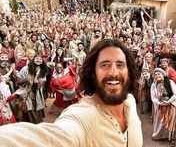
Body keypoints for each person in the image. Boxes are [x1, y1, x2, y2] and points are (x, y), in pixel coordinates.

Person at [0, 39, 143, 147]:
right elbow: (54, 137)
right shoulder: (81, 117)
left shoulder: (129, 100)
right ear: (92, 74)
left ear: (129, 71)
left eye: (120, 65)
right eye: (104, 65)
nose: (113, 72)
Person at [151, 68, 176, 147]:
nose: (157, 76)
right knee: (160, 122)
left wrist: (168, 102)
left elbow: (175, 94)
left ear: (163, 75)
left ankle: (172, 138)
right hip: (160, 106)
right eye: (155, 75)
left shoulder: (170, 82)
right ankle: (158, 135)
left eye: (159, 74)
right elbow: (153, 97)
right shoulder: (154, 85)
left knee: (171, 122)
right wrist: (159, 103)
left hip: (170, 104)